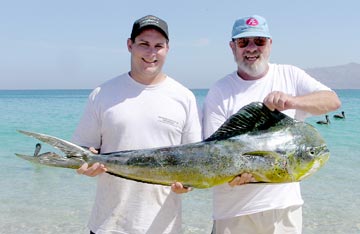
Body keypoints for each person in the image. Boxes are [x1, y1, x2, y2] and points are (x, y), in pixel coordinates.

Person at [203, 15, 341, 234]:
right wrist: (230, 175)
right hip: (232, 211)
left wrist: (292, 101)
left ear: (270, 44)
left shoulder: (290, 75)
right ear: (232, 47)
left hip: (283, 208)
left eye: (259, 41)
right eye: (243, 42)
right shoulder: (220, 90)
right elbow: (213, 152)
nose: (251, 48)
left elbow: (332, 101)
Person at [72, 15, 202, 234]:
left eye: (158, 46)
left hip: (165, 228)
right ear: (130, 45)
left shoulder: (184, 97)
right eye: (144, 44)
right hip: (108, 225)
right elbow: (82, 151)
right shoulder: (102, 94)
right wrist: (86, 165)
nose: (151, 53)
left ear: (167, 49)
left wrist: (187, 185)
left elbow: (195, 161)